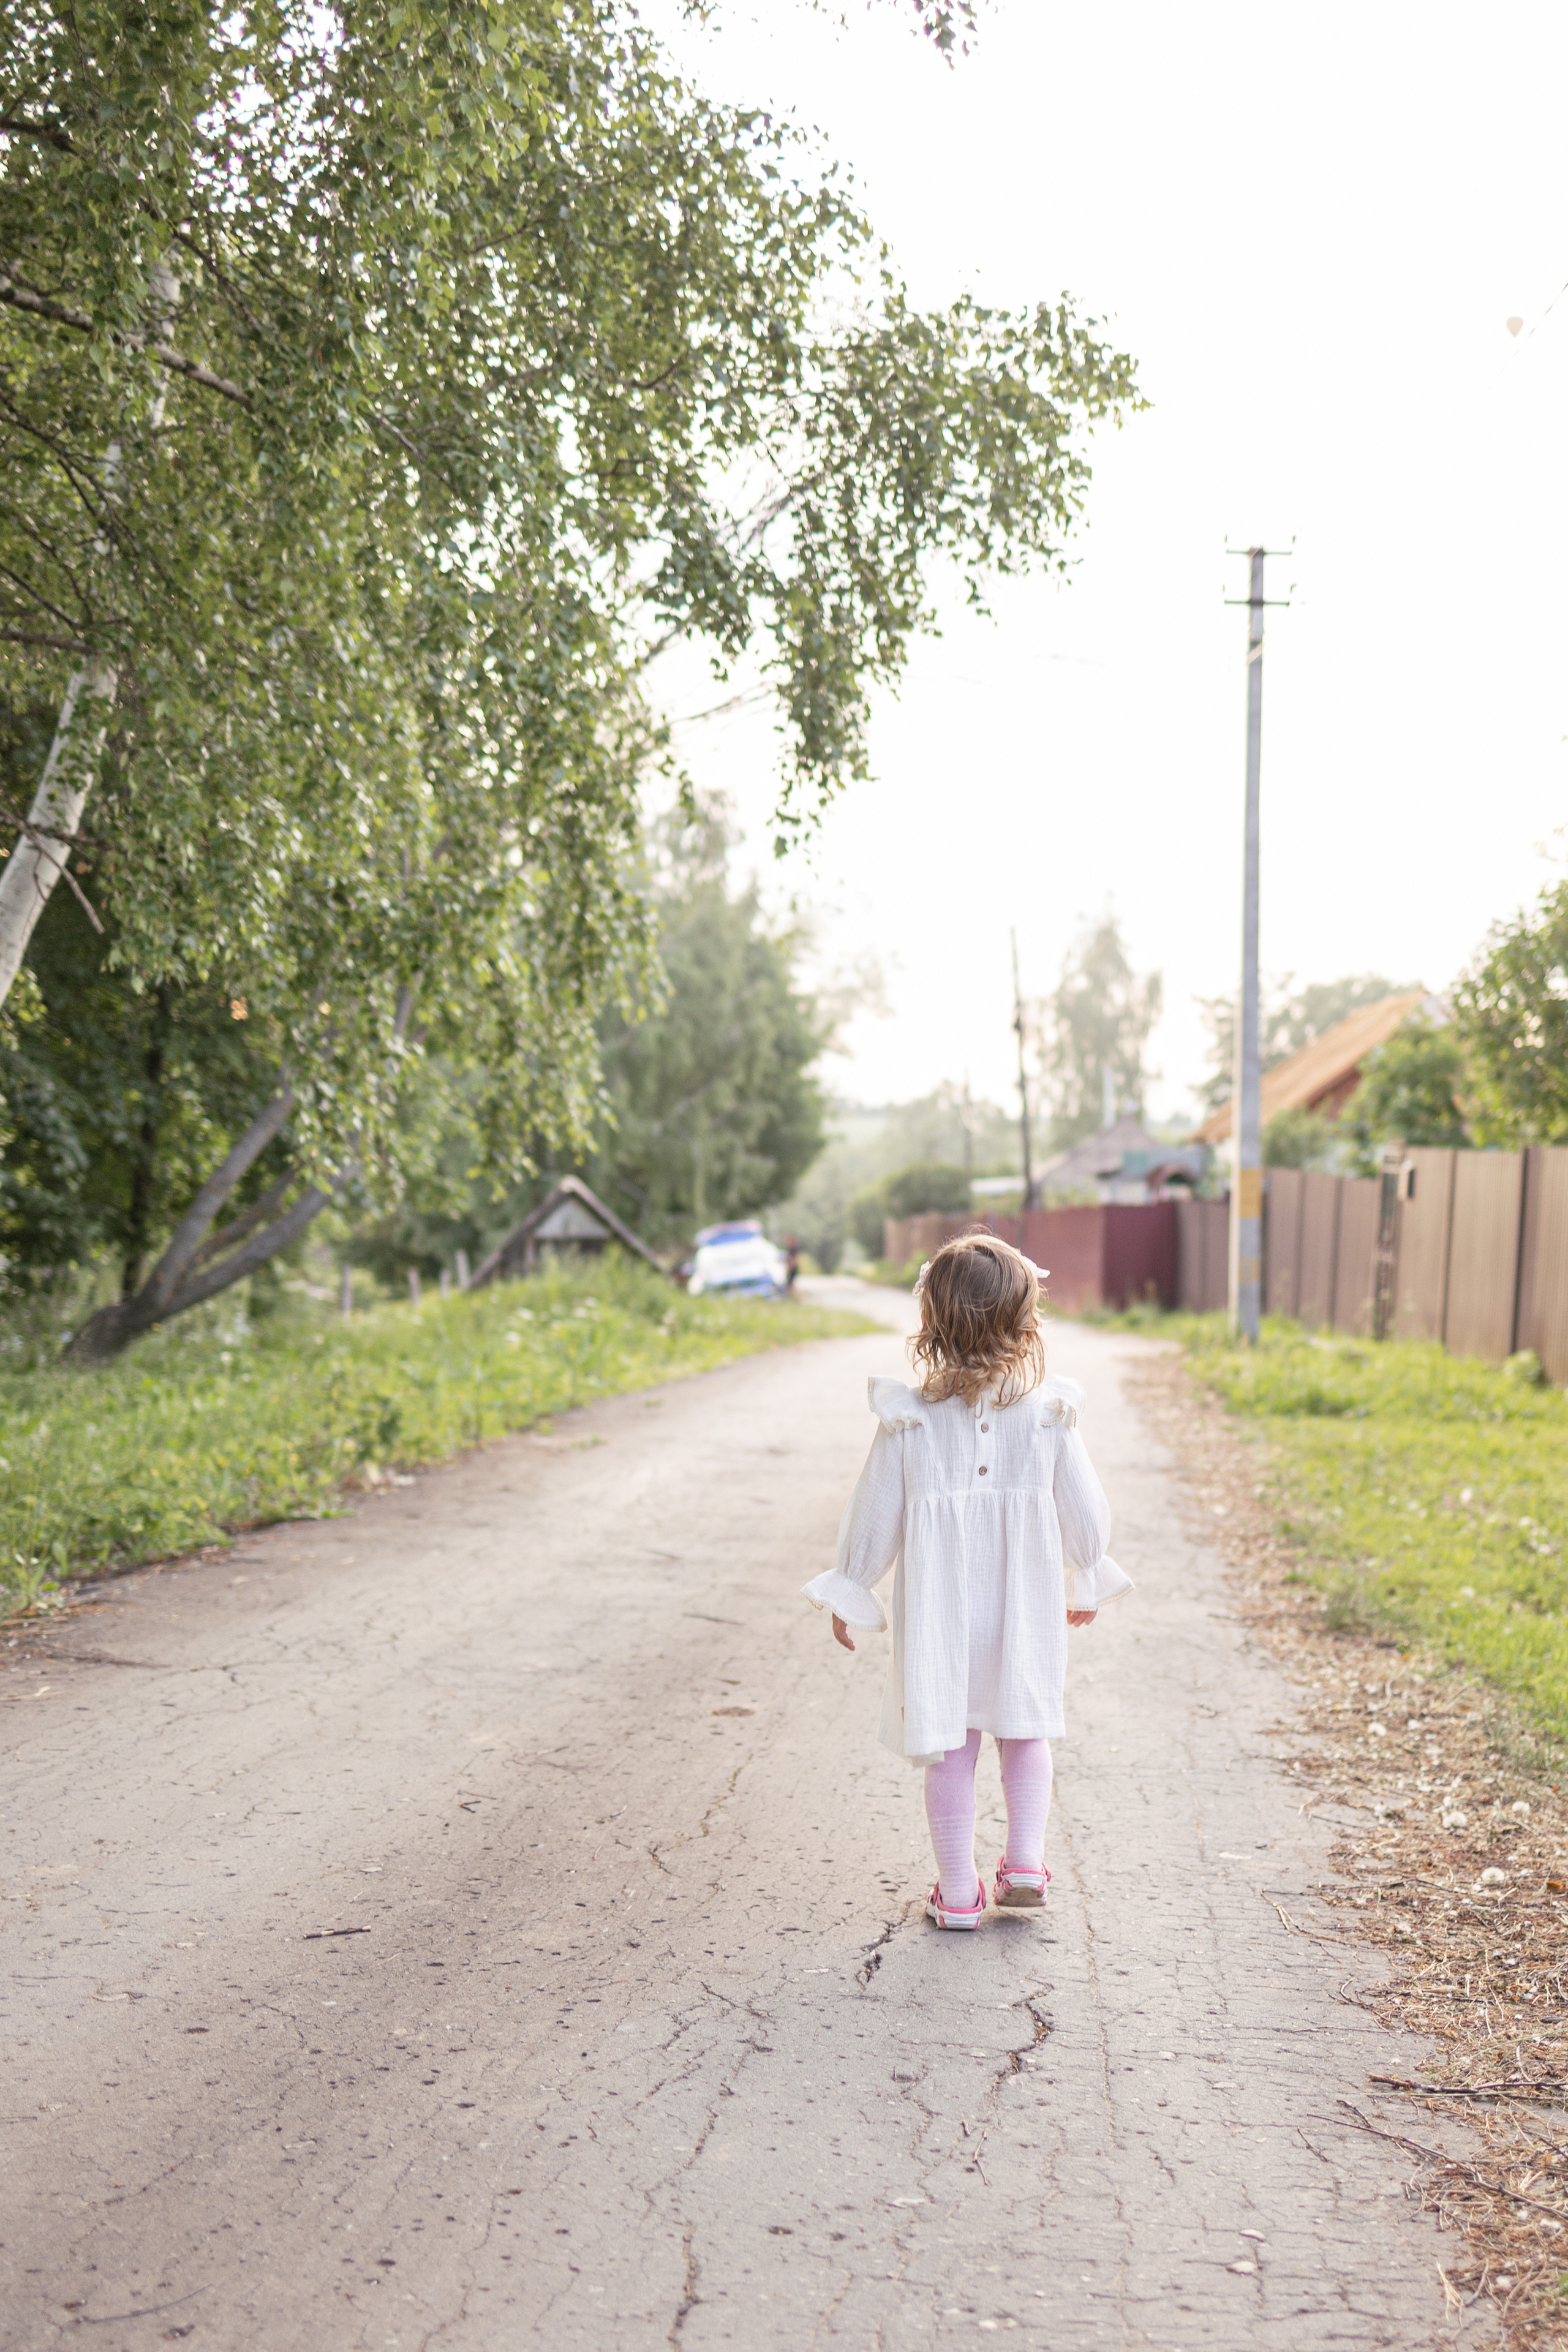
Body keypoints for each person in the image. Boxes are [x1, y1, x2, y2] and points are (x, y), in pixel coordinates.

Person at [803, 1232, 1131, 1929]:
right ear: (1025, 1322)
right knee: (1026, 1727)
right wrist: (1086, 1572)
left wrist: (853, 1587)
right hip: (1024, 1604)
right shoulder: (1047, 1415)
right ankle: (1026, 1863)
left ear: (932, 1321)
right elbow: (1083, 1507)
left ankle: (957, 1893)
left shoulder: (909, 1420)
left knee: (950, 1742)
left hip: (939, 1611)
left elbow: (875, 1514)